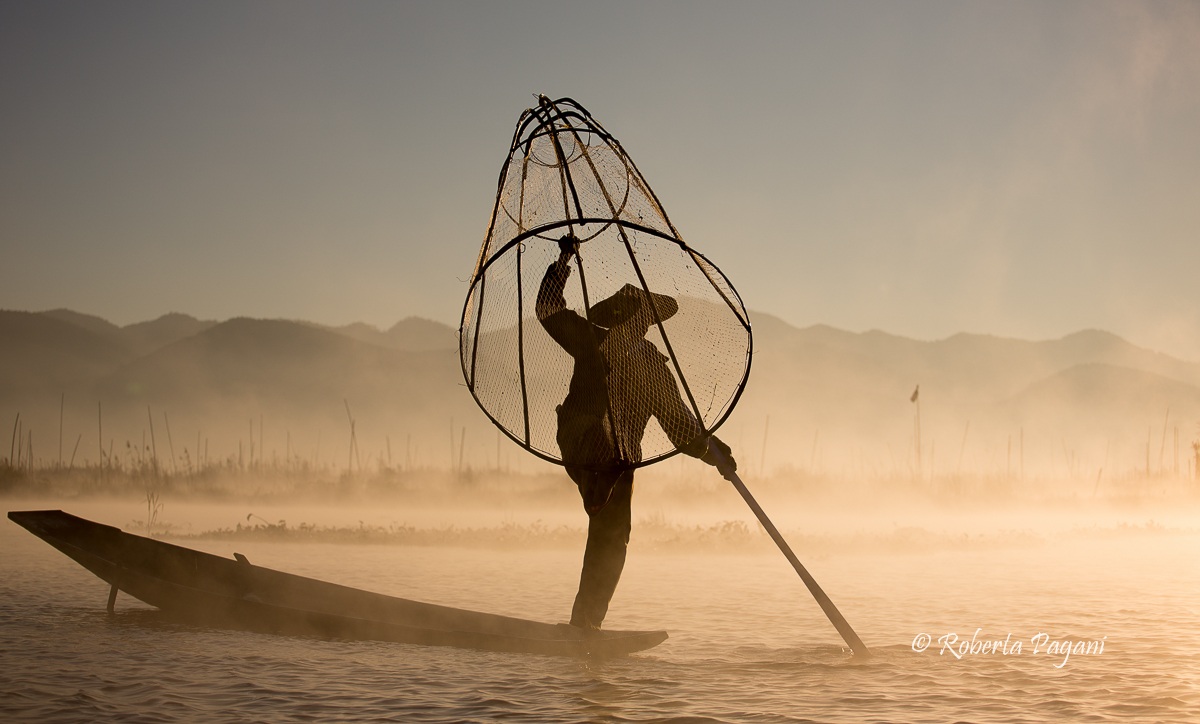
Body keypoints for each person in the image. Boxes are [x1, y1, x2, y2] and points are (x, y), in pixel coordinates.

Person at [536, 234, 736, 630]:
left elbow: (680, 426)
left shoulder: (652, 366)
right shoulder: (593, 341)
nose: (631, 321)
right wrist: (563, 262)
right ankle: (598, 490)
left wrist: (715, 454)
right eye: (629, 315)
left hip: (620, 461)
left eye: (636, 315)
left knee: (614, 538)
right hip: (586, 441)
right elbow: (548, 309)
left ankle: (585, 625)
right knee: (605, 476)